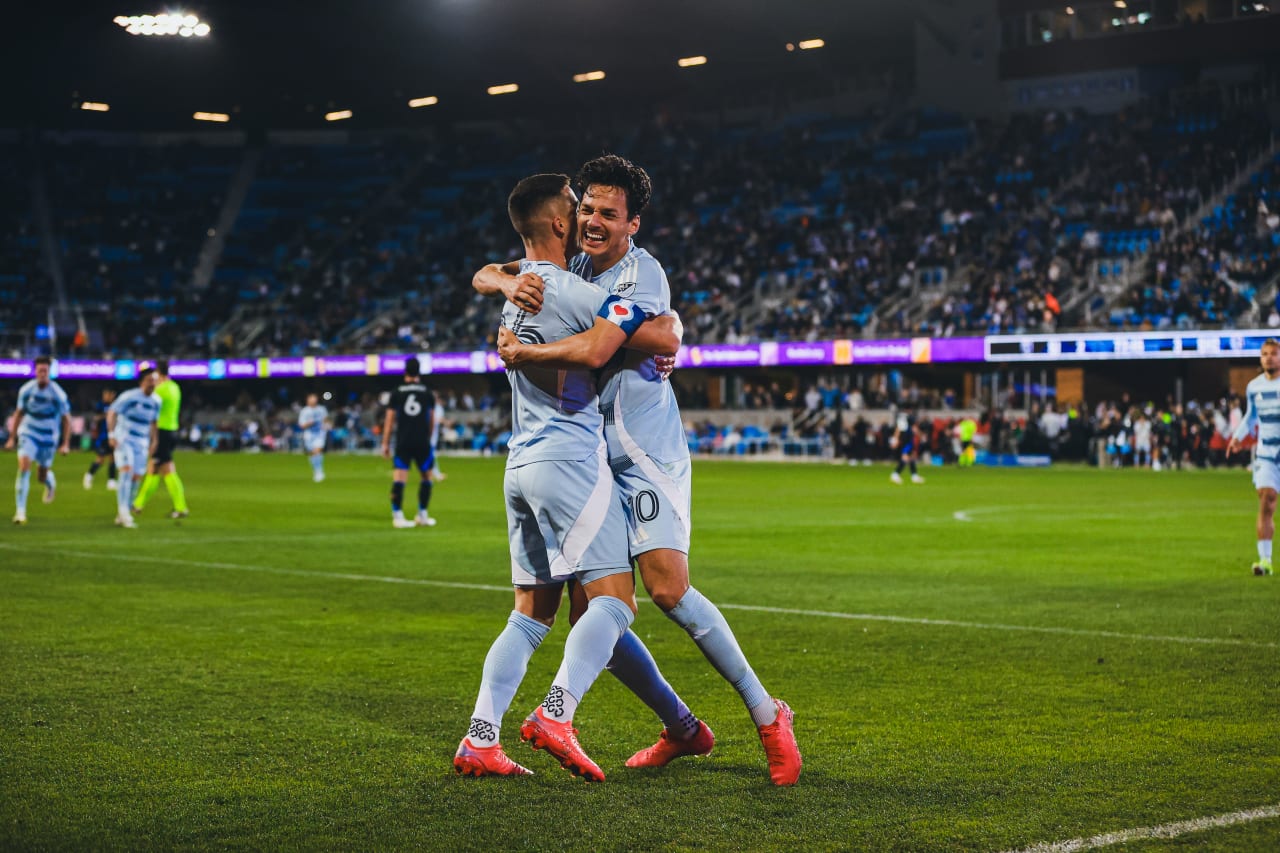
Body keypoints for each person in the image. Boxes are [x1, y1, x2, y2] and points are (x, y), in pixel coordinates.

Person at [479, 155, 801, 785]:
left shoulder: (641, 272)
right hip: (588, 459)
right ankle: (681, 728)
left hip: (644, 453)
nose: (593, 221)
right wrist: (500, 282)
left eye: (609, 213)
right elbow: (491, 269)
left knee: (667, 590)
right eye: (587, 209)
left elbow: (653, 339)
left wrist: (524, 352)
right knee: (594, 611)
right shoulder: (571, 267)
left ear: (633, 223)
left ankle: (768, 714)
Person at [455, 172, 689, 782]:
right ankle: (557, 713)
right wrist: (669, 339)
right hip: (569, 463)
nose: (585, 218)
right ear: (560, 224)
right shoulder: (571, 291)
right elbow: (653, 334)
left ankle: (480, 737)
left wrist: (499, 278)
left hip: (519, 466)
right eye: (576, 208)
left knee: (530, 615)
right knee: (614, 603)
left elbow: (484, 272)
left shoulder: (518, 293)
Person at [1226, 338, 1280, 576]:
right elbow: (1251, 416)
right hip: (1267, 453)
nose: (1269, 358)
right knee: (1267, 500)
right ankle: (1265, 561)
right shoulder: (1254, 387)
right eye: (1265, 354)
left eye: (1274, 354)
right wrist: (1237, 437)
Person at [4, 355, 71, 525]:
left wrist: (65, 443)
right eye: (40, 370)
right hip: (29, 433)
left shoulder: (58, 393)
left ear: (49, 372)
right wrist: (12, 438)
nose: (42, 374)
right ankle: (20, 512)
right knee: (24, 466)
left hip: (48, 436)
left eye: (45, 371)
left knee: (41, 475)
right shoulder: (26, 390)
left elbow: (66, 419)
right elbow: (19, 413)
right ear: (35, 371)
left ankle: (49, 482)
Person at [131, 360, 189, 519]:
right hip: (172, 430)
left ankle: (181, 507)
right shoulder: (175, 387)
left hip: (162, 432)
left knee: (166, 469)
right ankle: (138, 504)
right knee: (153, 468)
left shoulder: (161, 390)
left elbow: (146, 399)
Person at [382, 359, 437, 528]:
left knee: (399, 478)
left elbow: (389, 420)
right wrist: (428, 437)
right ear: (419, 372)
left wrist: (385, 443)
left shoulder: (397, 391)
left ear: (405, 371)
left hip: (403, 440)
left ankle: (398, 516)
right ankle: (422, 515)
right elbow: (432, 420)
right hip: (422, 441)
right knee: (426, 477)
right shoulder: (427, 392)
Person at [108, 367, 161, 529]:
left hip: (141, 441)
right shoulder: (129, 396)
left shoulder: (157, 401)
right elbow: (112, 412)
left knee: (137, 477)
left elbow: (154, 422)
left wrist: (154, 441)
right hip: (124, 438)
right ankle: (123, 511)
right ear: (142, 382)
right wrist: (111, 434)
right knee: (126, 471)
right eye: (150, 380)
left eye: (155, 380)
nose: (153, 384)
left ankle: (125, 509)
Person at [84, 388, 119, 491]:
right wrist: (106, 415)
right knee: (100, 459)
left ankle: (111, 481)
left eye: (108, 394)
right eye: (105, 394)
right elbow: (95, 418)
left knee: (113, 459)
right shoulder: (100, 405)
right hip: (102, 437)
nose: (106, 396)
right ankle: (89, 475)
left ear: (112, 395)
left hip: (113, 436)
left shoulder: (117, 406)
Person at [298, 393, 329, 483]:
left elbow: (325, 419)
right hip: (309, 434)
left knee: (317, 450)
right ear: (307, 400)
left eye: (314, 398)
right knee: (312, 453)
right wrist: (309, 423)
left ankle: (319, 472)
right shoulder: (304, 411)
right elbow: (302, 425)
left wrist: (326, 425)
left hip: (320, 433)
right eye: (311, 398)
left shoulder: (322, 409)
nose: (313, 400)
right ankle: (316, 470)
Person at [890, 408, 926, 484]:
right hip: (907, 441)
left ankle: (914, 476)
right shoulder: (909, 417)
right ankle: (895, 474)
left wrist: (895, 439)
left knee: (912, 457)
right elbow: (914, 429)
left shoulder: (901, 417)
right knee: (905, 458)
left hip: (904, 440)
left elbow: (898, 429)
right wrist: (921, 435)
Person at [429, 397, 447, 482]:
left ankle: (432, 473)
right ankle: (436, 474)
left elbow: (437, 419)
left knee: (429, 454)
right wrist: (446, 422)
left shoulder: (438, 408)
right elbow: (437, 419)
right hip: (429, 435)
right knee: (430, 454)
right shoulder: (434, 407)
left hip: (432, 435)